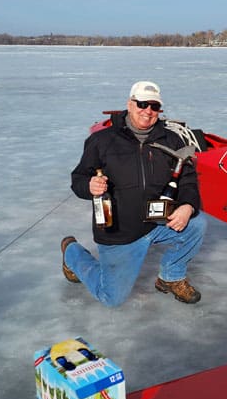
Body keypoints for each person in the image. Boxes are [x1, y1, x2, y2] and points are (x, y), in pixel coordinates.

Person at [61, 80, 206, 306]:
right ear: (129, 104)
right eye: (142, 104)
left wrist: (188, 206)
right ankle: (72, 253)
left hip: (156, 222)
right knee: (112, 298)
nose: (148, 111)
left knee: (196, 224)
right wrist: (89, 186)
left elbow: (188, 179)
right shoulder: (101, 141)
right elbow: (78, 179)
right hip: (120, 232)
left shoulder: (171, 139)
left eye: (154, 106)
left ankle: (170, 277)